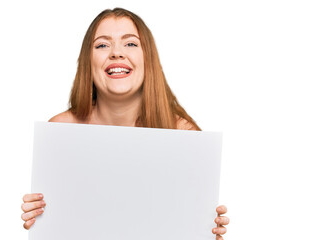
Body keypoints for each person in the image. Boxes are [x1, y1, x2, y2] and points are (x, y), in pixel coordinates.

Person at [20, 7, 229, 239]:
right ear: (88, 61)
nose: (116, 53)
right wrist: (39, 216)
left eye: (130, 43)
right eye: (102, 45)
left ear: (147, 58)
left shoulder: (184, 135)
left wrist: (209, 231)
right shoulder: (59, 131)